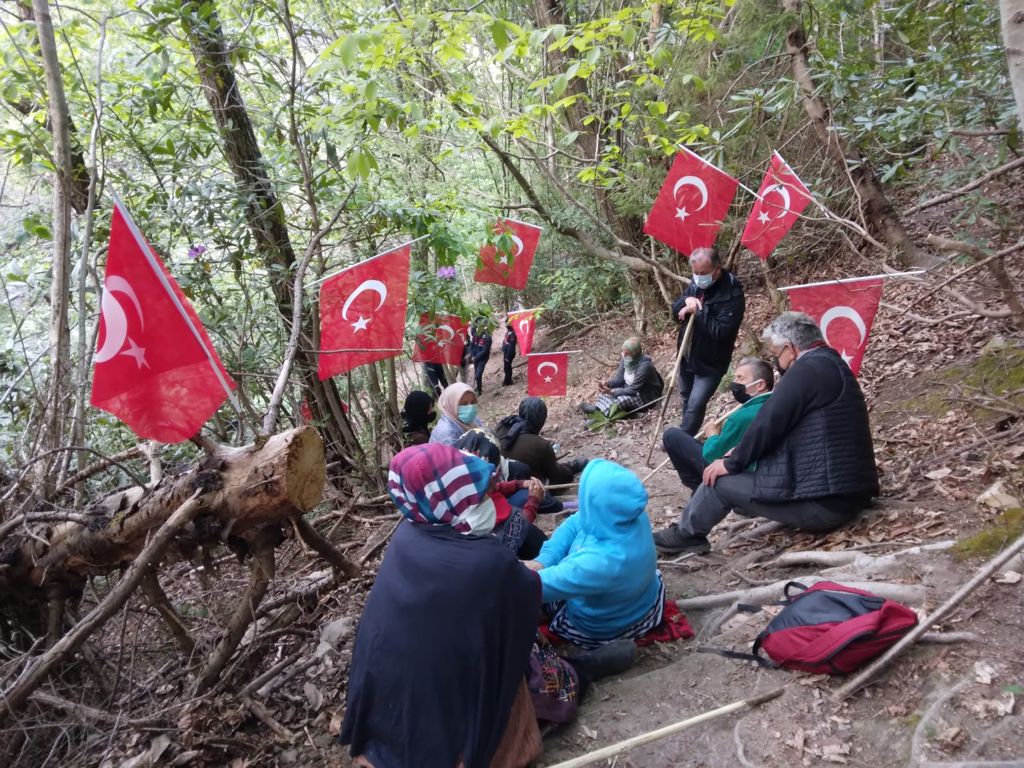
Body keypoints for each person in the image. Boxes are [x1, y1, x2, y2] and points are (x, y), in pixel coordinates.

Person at [340, 444, 543, 767]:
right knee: (522, 669)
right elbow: (524, 607)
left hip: (386, 721)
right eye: (479, 496)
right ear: (450, 500)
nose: (489, 501)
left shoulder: (408, 536)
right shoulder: (486, 562)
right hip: (444, 736)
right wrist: (529, 577)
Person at [653, 312, 880, 555]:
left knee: (718, 480)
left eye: (776, 353)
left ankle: (687, 535)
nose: (776, 360)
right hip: (848, 494)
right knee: (735, 468)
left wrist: (732, 462)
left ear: (790, 349)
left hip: (825, 505)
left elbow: (769, 421)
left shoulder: (806, 369)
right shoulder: (831, 364)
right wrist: (739, 453)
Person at [523, 459, 663, 650]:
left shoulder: (601, 562)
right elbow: (575, 521)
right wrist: (544, 560)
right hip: (644, 597)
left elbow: (533, 588)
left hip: (603, 625)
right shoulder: (629, 513)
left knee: (527, 601)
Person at [662, 357, 774, 492]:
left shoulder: (742, 417)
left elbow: (712, 454)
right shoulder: (776, 404)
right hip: (762, 474)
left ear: (760, 385)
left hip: (738, 474)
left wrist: (712, 436)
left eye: (740, 378)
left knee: (671, 435)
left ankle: (699, 487)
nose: (735, 383)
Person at [671, 246, 745, 435]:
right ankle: (685, 432)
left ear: (717, 270)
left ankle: (684, 439)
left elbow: (721, 331)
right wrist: (687, 300)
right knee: (686, 396)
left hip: (711, 362)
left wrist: (699, 311)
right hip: (688, 354)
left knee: (696, 403)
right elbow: (675, 312)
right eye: (695, 273)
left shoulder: (732, 294)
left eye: (703, 273)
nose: (698, 277)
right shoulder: (696, 285)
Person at [456, 429, 548, 559]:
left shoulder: (460, 489)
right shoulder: (490, 516)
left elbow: (494, 488)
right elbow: (520, 526)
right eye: (494, 478)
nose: (496, 482)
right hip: (513, 558)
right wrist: (533, 500)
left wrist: (519, 484)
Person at [495, 397, 588, 485]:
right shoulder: (541, 445)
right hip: (524, 486)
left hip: (498, 479)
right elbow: (557, 476)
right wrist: (571, 468)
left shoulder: (502, 426)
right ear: (541, 420)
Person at [580, 338, 663, 418]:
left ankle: (602, 416)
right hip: (628, 388)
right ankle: (597, 409)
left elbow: (634, 389)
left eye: (627, 353)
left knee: (621, 400)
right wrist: (607, 384)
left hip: (644, 396)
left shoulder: (645, 366)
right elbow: (618, 379)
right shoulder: (626, 359)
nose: (624, 354)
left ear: (635, 354)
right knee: (604, 394)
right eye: (623, 352)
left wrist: (612, 392)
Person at [468, 317, 493, 396]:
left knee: (478, 375)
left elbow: (485, 351)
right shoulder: (476, 335)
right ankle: (478, 387)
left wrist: (475, 358)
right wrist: (471, 354)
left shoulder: (487, 337)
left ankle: (479, 391)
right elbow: (472, 345)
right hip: (475, 357)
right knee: (476, 373)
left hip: (482, 358)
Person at [501, 321, 517, 386]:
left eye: (508, 323)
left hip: (509, 353)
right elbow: (505, 340)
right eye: (506, 323)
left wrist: (507, 356)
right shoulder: (508, 331)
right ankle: (507, 380)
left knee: (507, 367)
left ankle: (508, 381)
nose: (506, 324)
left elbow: (511, 347)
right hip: (506, 352)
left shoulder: (513, 333)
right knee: (506, 367)